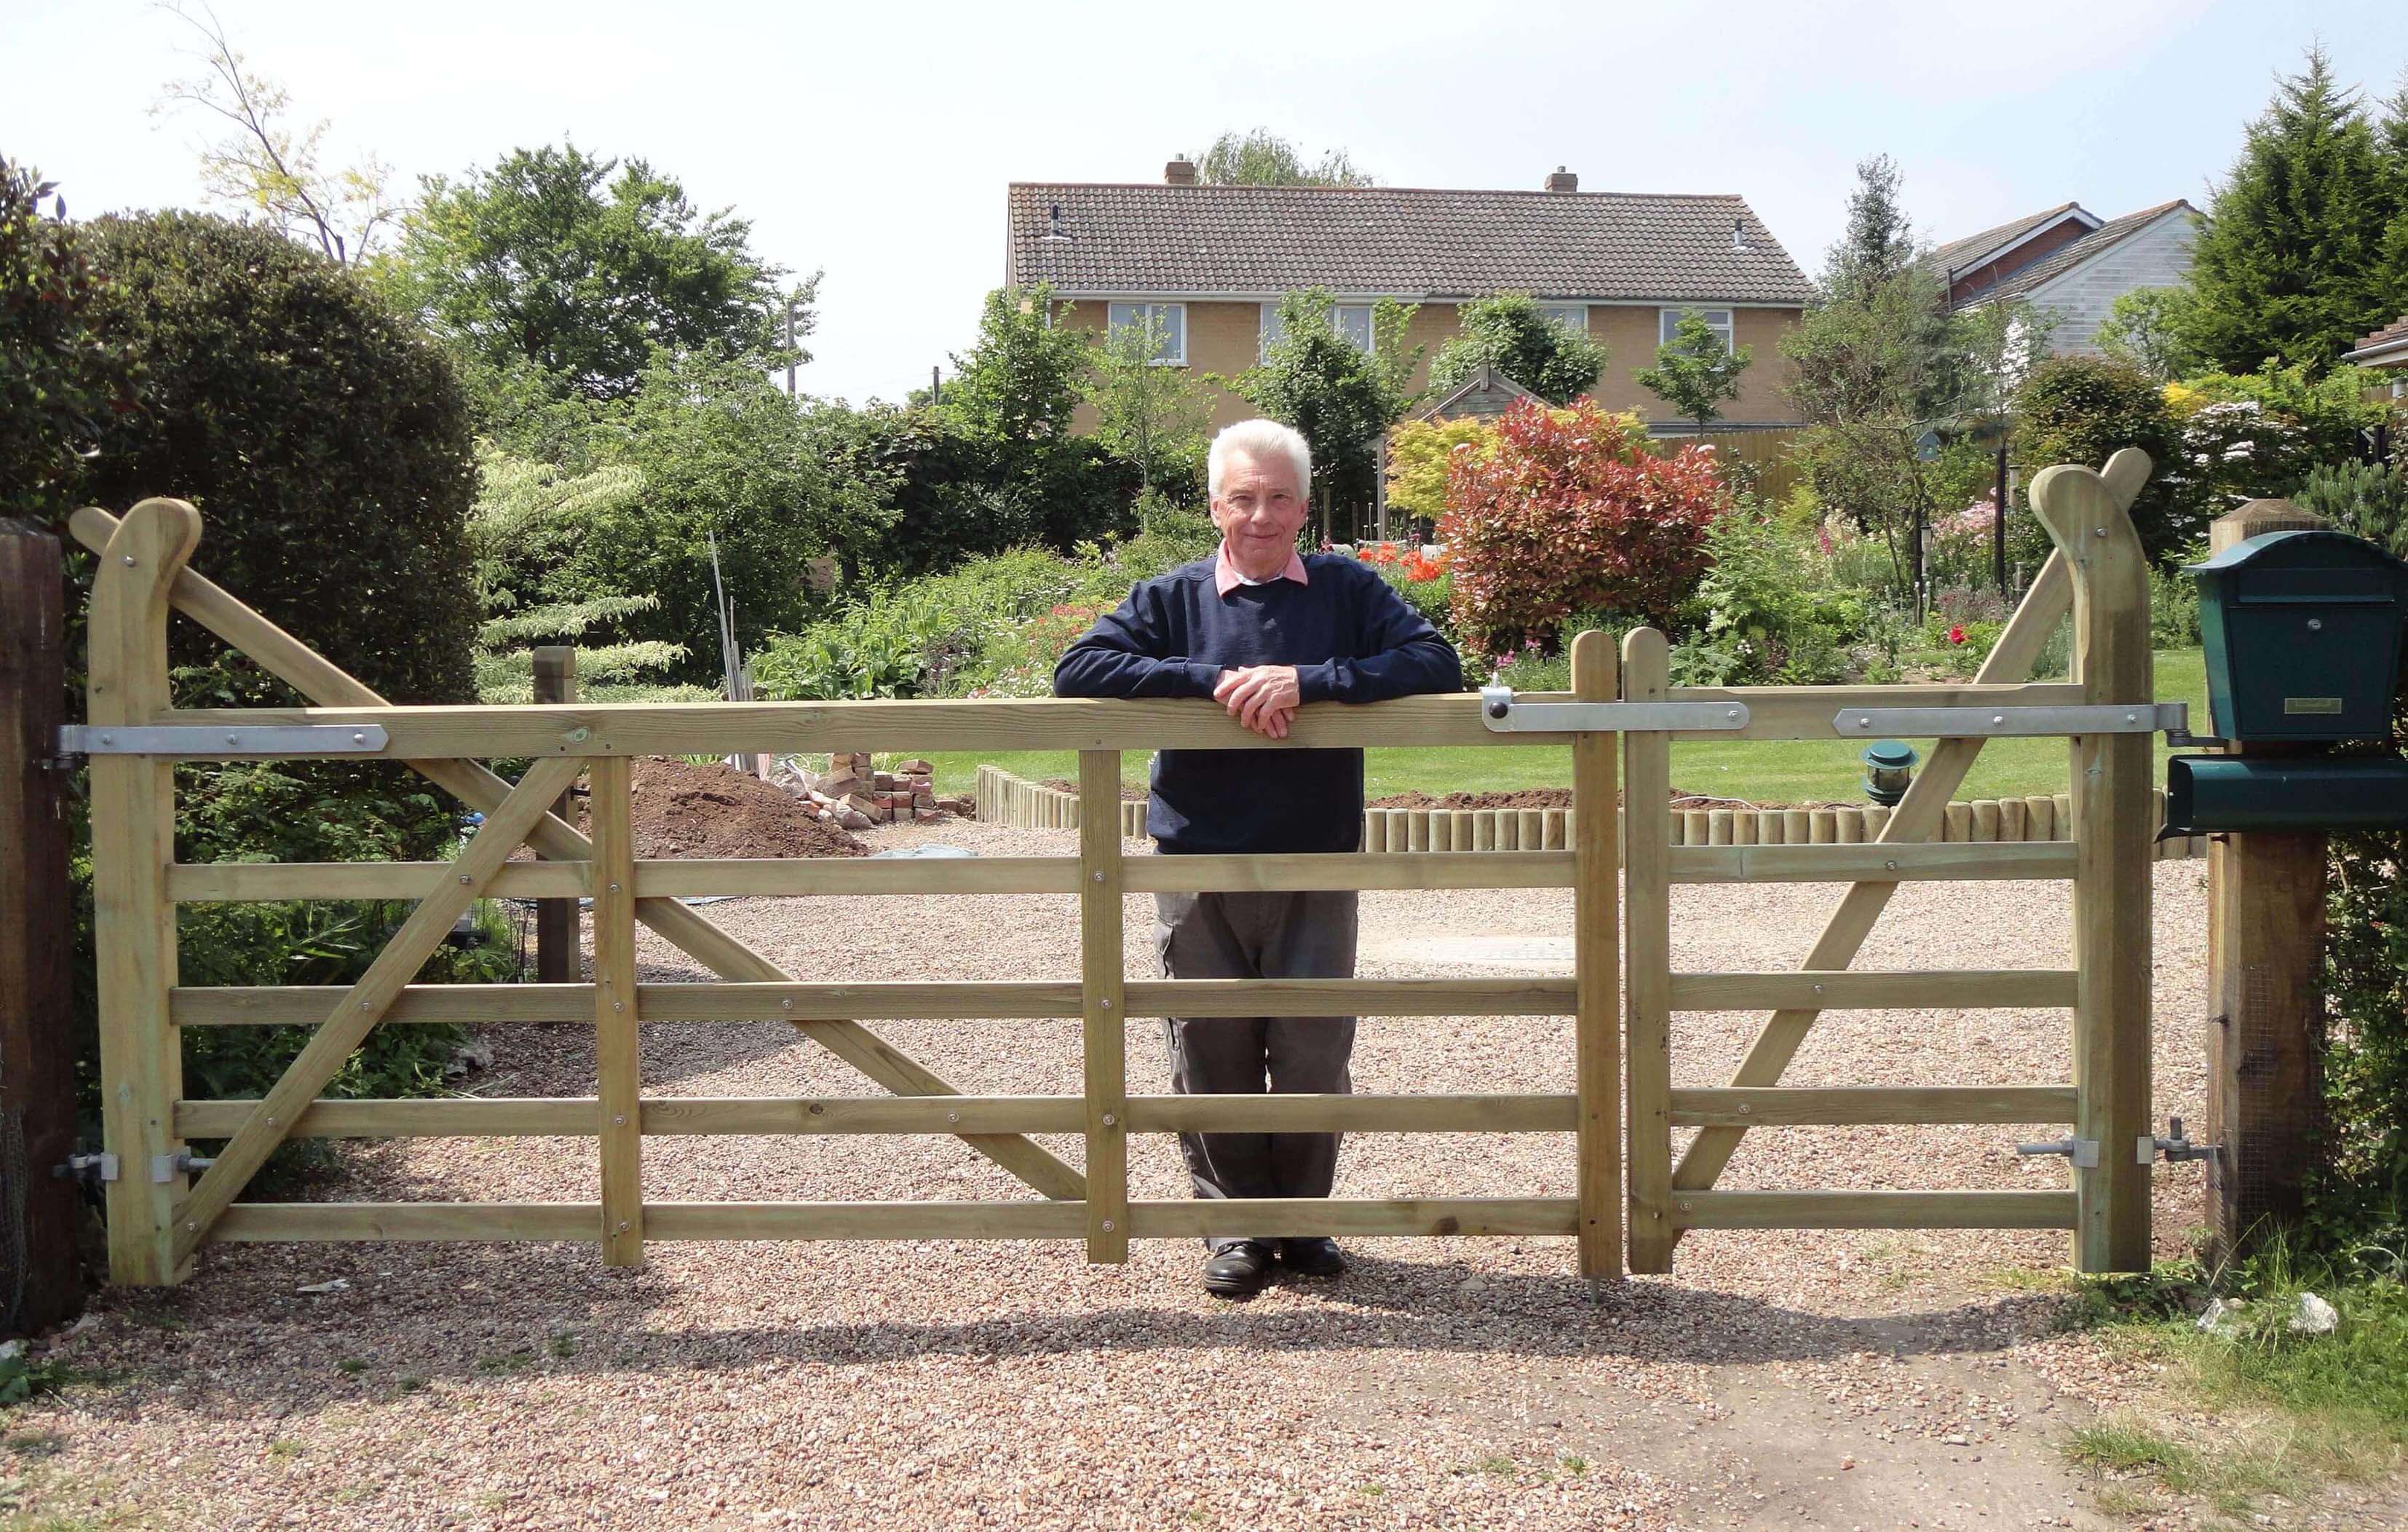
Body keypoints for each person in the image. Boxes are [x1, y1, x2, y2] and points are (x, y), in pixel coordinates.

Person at [1053, 419, 1462, 1298]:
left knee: (1313, 1046)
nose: (1261, 515)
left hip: (1314, 858)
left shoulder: (1347, 590)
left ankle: (1302, 1218)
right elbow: (1079, 666)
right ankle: (1235, 1227)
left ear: (1304, 509)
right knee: (1210, 1046)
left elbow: (1436, 660)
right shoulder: (1170, 598)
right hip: (1196, 859)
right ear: (1214, 507)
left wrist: (1309, 681)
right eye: (1243, 498)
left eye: (1279, 498)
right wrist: (1211, 681)